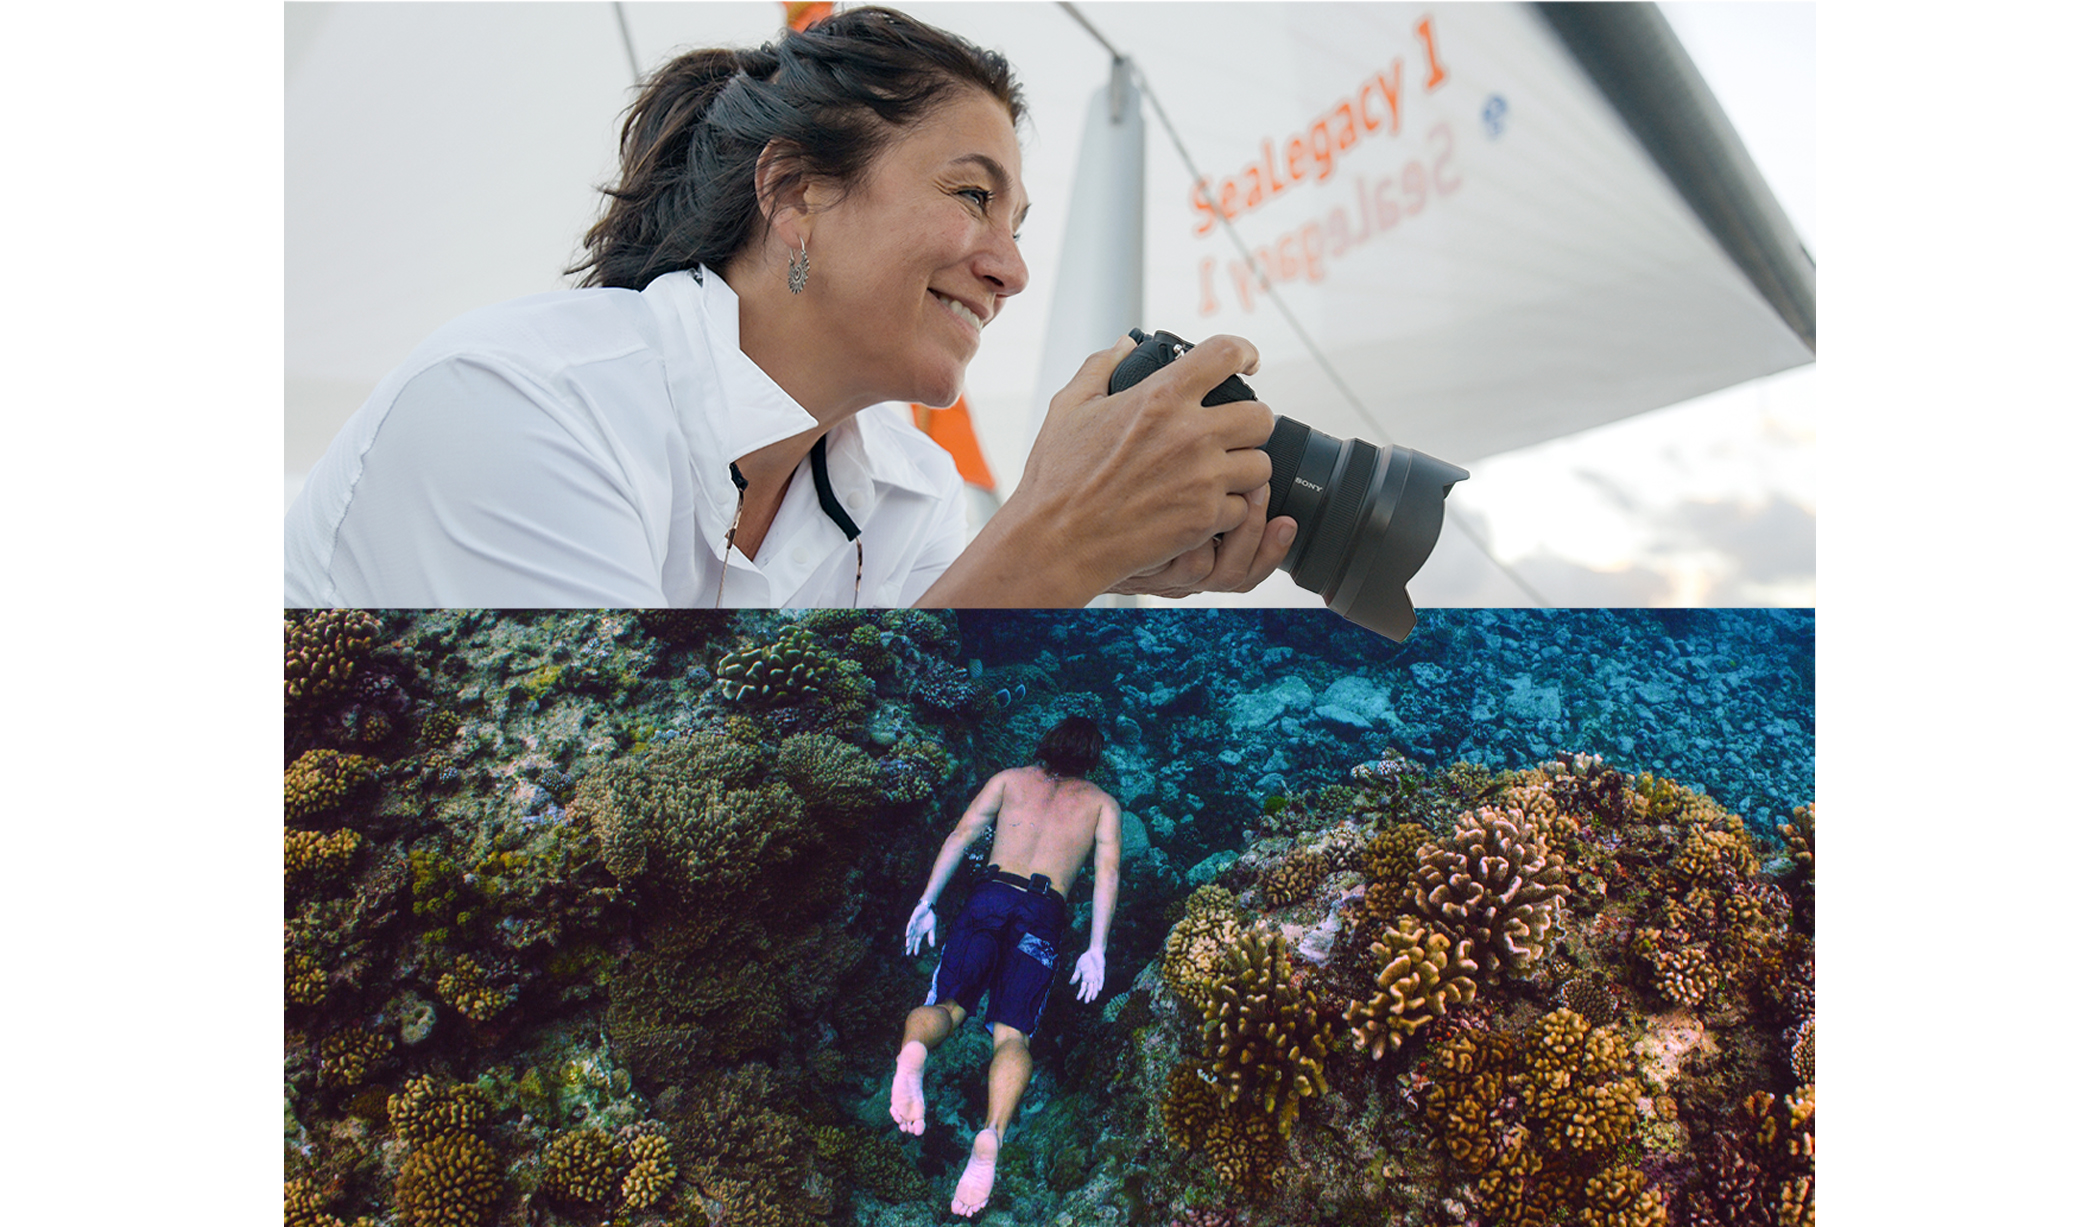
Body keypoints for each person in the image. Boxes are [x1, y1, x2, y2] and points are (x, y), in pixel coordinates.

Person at [284, 6, 1294, 608]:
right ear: (794, 192)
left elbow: (925, 760)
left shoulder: (911, 490)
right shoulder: (519, 405)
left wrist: (1103, 564)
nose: (1011, 270)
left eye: (1019, 226)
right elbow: (620, 841)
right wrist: (1056, 538)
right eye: (972, 196)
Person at [889, 715, 1120, 1217]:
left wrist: (928, 901)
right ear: (1092, 759)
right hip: (1042, 913)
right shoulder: (1103, 804)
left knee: (948, 1006)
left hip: (989, 898)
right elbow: (1107, 874)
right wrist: (1096, 947)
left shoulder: (1008, 780)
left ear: (1046, 742)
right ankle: (992, 1132)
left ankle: (913, 1054)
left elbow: (961, 835)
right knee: (1012, 1035)